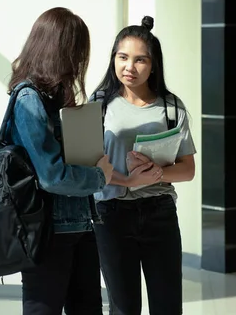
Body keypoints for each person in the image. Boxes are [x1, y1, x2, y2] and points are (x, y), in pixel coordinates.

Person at [7, 7, 123, 315]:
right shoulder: (28, 99)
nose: (78, 61)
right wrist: (100, 176)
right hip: (48, 231)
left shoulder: (54, 98)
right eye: (76, 51)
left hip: (81, 224)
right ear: (59, 50)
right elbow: (51, 175)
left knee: (87, 308)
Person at [91, 16, 197, 315]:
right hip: (111, 216)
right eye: (123, 57)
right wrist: (128, 182)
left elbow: (187, 170)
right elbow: (88, 168)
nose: (130, 67)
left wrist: (155, 175)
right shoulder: (97, 104)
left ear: (153, 65)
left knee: (167, 306)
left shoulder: (171, 108)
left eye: (141, 60)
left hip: (159, 213)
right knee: (124, 308)